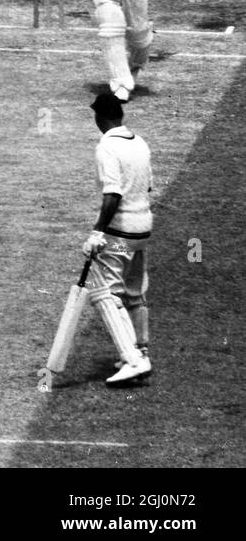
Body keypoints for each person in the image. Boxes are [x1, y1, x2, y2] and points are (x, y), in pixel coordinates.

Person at [83, 92, 154, 386]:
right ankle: (141, 351)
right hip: (142, 230)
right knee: (135, 293)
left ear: (100, 118)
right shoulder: (139, 142)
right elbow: (148, 187)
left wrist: (98, 231)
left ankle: (133, 359)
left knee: (106, 293)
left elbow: (113, 194)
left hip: (120, 234)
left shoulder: (106, 147)